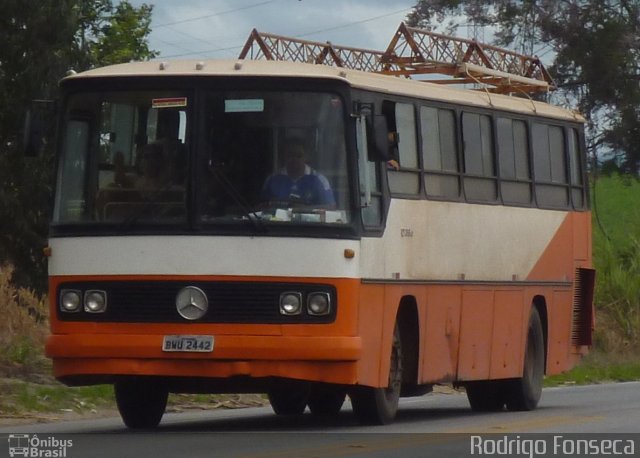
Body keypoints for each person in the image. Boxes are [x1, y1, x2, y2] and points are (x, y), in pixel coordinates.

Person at [261, 138, 335, 207]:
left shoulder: (319, 180)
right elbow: (262, 208)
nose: (294, 159)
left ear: (306, 157)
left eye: (299, 156)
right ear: (283, 157)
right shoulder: (272, 180)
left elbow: (330, 209)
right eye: (290, 155)